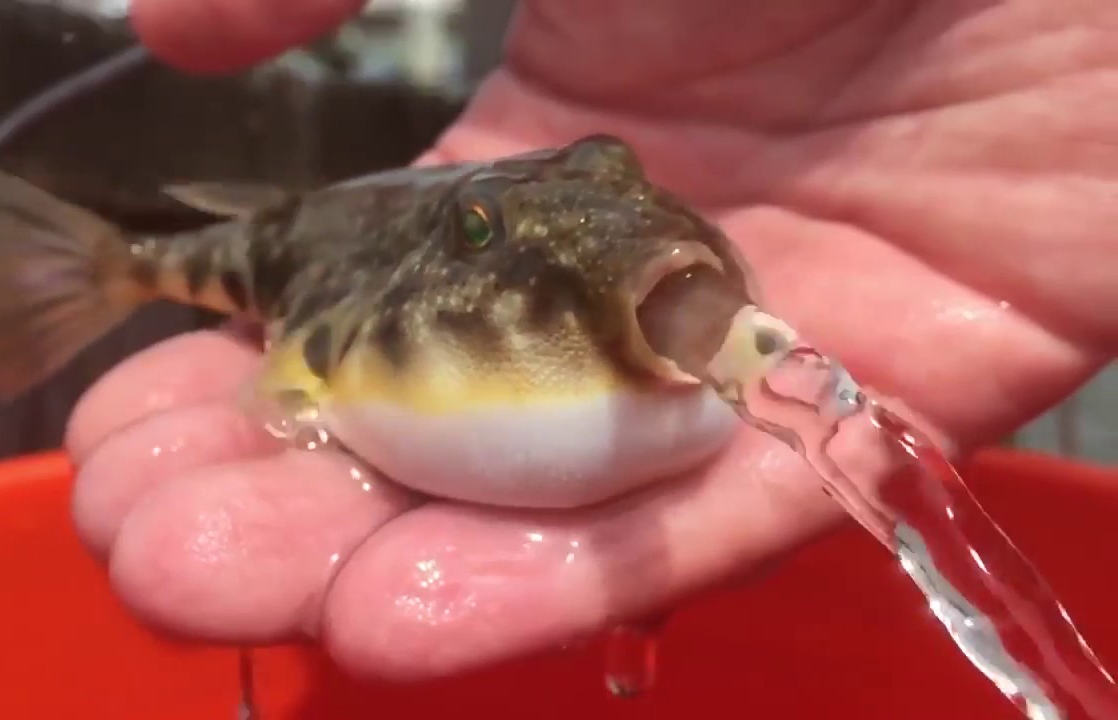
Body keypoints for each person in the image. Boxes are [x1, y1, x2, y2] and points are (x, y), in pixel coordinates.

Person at [66, 0, 1118, 680]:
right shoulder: (368, 302)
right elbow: (314, 354)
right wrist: (292, 401)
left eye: (618, 177)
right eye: (478, 235)